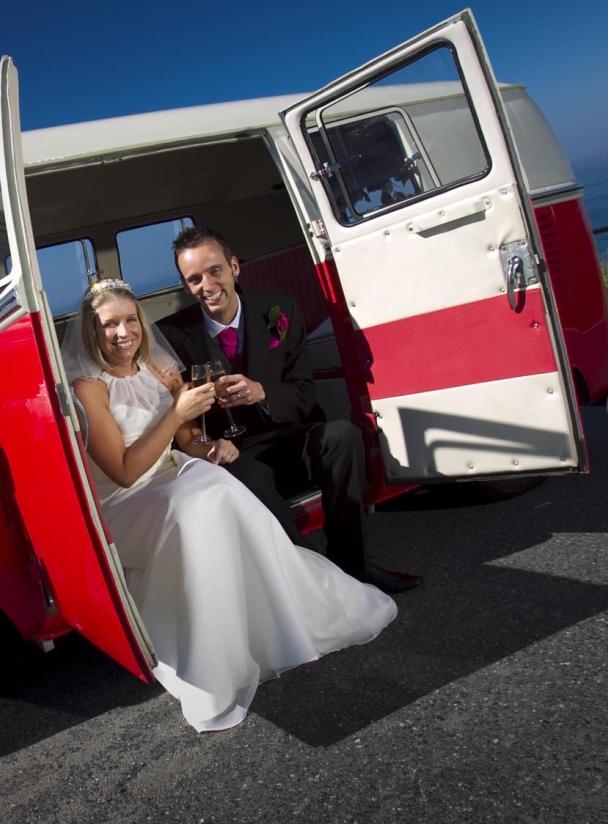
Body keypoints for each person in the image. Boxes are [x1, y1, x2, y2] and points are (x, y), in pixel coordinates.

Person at [64, 278, 396, 732]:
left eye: (130, 321)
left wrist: (212, 447)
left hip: (171, 474)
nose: (123, 333)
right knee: (199, 500)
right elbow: (123, 470)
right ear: (92, 331)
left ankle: (275, 622)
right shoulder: (88, 389)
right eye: (109, 325)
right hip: (126, 498)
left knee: (217, 485)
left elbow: (186, 440)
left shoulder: (159, 369)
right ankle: (214, 652)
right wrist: (177, 413)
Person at [158, 226, 420, 593]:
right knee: (245, 474)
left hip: (288, 434)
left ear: (234, 267)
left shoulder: (278, 310)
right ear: (187, 286)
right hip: (237, 451)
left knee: (342, 435)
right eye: (195, 279)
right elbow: (180, 413)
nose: (207, 285)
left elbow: (303, 391)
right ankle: (316, 579)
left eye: (215, 270)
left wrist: (261, 392)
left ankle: (354, 562)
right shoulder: (171, 334)